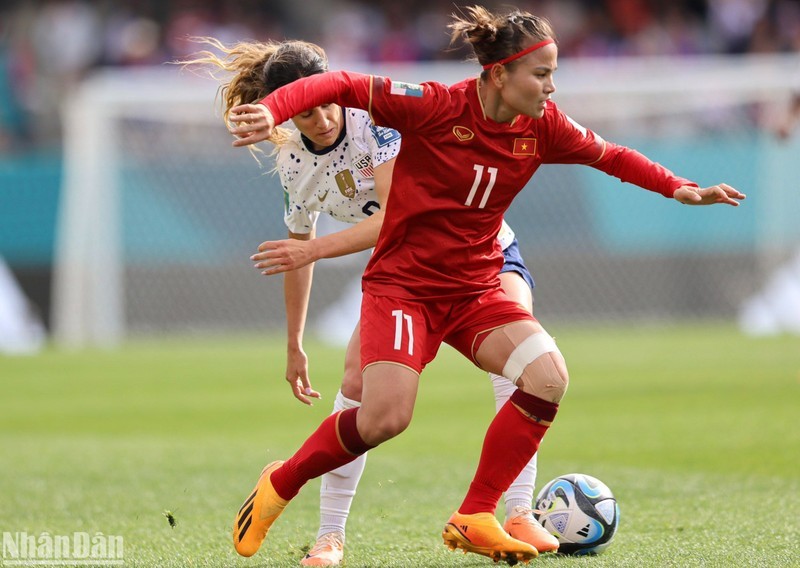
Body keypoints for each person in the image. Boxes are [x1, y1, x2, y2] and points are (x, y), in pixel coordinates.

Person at [226, 5, 745, 564]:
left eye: (553, 73)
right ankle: (282, 484)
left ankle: (479, 513)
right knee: (385, 418)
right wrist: (272, 110)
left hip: (477, 283)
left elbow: (610, 155)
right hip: (406, 286)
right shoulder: (434, 105)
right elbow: (343, 82)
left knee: (547, 377)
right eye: (541, 74)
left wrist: (679, 188)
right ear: (500, 74)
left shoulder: (544, 126)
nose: (552, 87)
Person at [184, 37, 557, 566]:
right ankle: (329, 536)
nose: (320, 119)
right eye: (305, 112)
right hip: (410, 274)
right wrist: (293, 342)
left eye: (323, 103)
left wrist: (310, 248)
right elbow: (298, 254)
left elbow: (390, 217)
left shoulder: (375, 121)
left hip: (483, 250)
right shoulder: (294, 165)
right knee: (359, 392)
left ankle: (516, 511)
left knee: (522, 366)